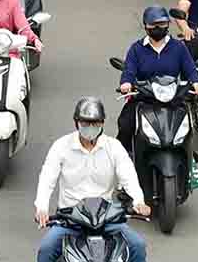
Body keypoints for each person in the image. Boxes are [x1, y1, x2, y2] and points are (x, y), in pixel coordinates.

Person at [34, 97, 150, 262]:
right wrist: (42, 207)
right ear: (76, 123)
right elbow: (47, 177)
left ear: (102, 123)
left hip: (107, 220)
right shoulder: (61, 146)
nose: (90, 127)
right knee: (46, 249)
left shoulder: (114, 147)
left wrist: (139, 201)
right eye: (85, 122)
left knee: (138, 246)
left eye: (95, 123)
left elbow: (128, 175)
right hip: (70, 219)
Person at [117, 5, 198, 151]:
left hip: (173, 98)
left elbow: (190, 69)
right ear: (145, 26)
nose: (157, 28)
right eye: (153, 25)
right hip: (144, 98)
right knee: (125, 125)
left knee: (186, 127)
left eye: (162, 24)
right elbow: (129, 70)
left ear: (168, 24)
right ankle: (125, 157)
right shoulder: (136, 49)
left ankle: (188, 158)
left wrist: (196, 82)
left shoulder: (178, 47)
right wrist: (126, 83)